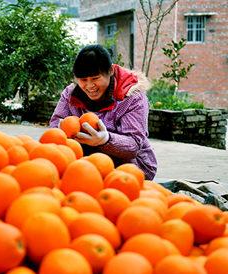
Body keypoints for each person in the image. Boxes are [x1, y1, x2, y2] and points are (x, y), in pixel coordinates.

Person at [50, 44, 157, 180]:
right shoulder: (71, 94)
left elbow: (134, 144)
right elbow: (55, 126)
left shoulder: (132, 96)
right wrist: (63, 129)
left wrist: (106, 140)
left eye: (95, 78)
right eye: (83, 80)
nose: (89, 86)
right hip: (84, 164)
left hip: (130, 167)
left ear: (110, 70)